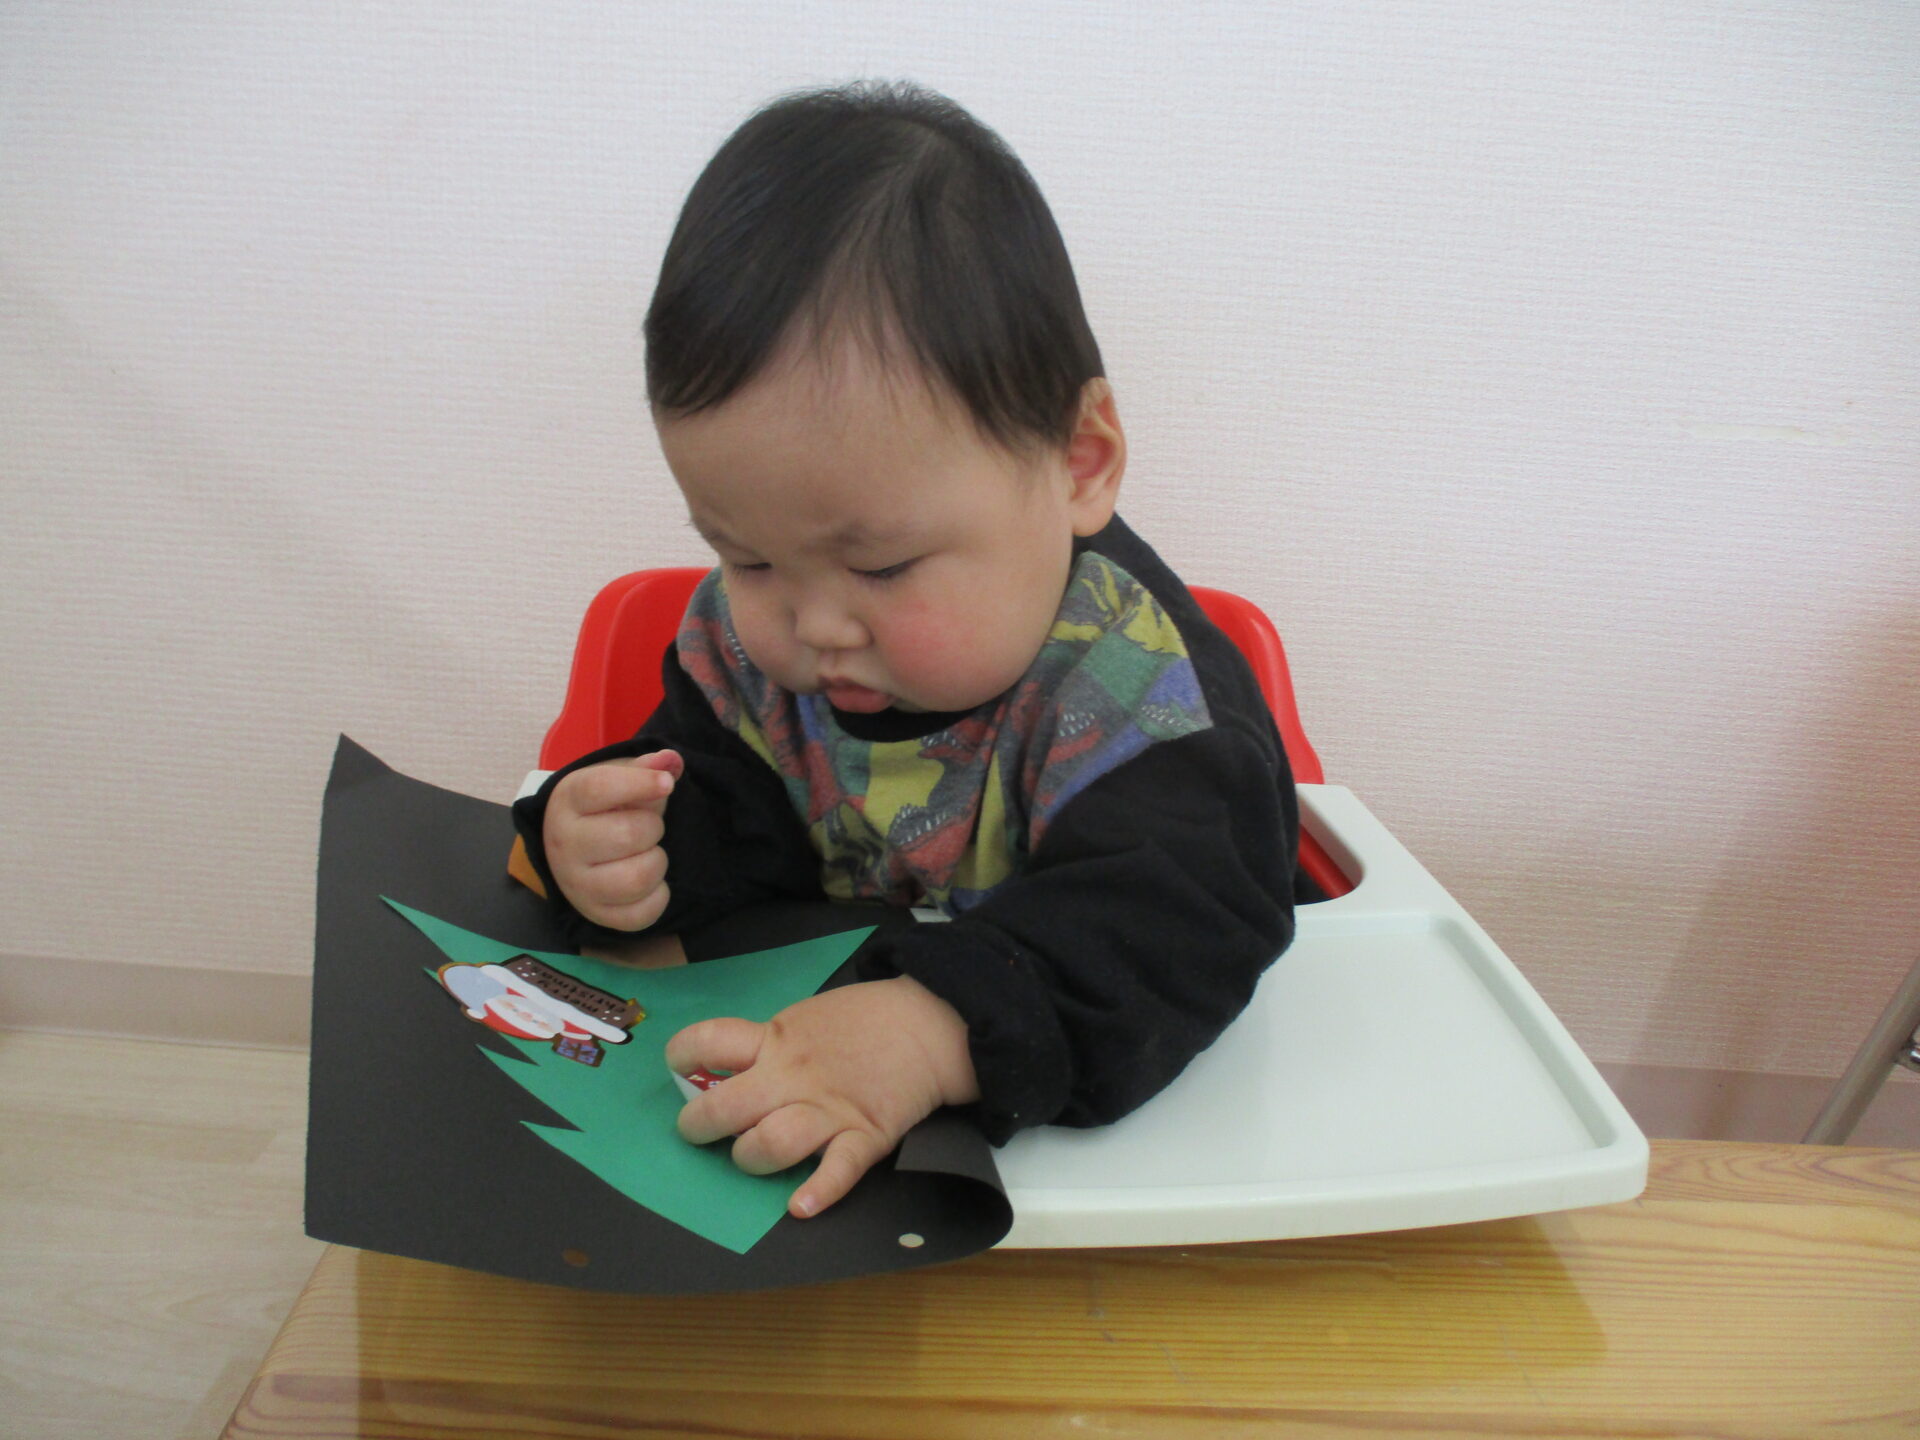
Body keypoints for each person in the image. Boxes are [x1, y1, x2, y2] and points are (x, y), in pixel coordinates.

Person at [513, 80, 1305, 1220]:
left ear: (1078, 464)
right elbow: (731, 803)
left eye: (881, 567)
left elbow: (1182, 926)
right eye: (748, 557)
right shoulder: (756, 653)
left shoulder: (1149, 698)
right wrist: (621, 845)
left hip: (1096, 1193)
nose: (813, 626)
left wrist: (934, 1032)